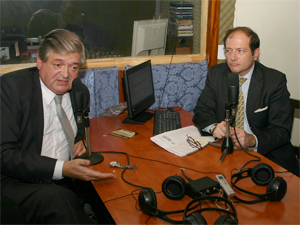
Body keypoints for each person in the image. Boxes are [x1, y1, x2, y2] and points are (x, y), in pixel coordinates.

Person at [1, 29, 116, 224]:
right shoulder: (11, 89)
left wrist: (79, 140)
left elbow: (75, 128)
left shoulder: (78, 92)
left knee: (112, 190)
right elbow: (4, 154)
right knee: (59, 200)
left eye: (73, 67)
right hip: (18, 181)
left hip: (64, 179)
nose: (65, 75)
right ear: (39, 61)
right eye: (58, 64)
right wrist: (62, 168)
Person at [193, 27, 299, 177]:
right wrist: (214, 127)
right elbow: (202, 110)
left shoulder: (274, 81)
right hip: (226, 153)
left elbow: (281, 131)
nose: (233, 57)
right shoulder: (216, 73)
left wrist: (251, 139)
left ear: (255, 54)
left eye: (240, 51)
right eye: (229, 51)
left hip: (266, 158)